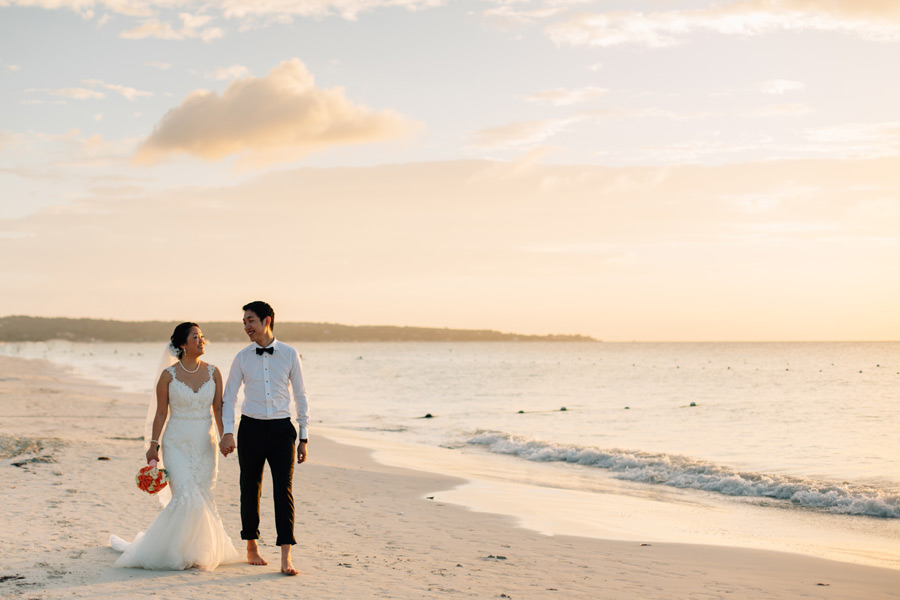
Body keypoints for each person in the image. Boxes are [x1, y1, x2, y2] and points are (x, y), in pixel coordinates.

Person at [110, 322, 240, 570]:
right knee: (185, 495)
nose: (202, 340)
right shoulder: (168, 376)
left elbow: (219, 409)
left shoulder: (214, 372)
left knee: (202, 494)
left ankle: (200, 551)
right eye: (195, 337)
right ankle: (172, 552)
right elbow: (160, 413)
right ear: (182, 344)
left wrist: (226, 436)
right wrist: (153, 445)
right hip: (175, 443)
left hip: (205, 443)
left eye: (202, 336)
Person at [218, 301, 309, 576]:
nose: (247, 327)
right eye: (244, 322)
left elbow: (301, 397)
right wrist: (227, 432)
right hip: (251, 429)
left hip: (283, 430)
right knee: (250, 487)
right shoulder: (242, 357)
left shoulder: (290, 354)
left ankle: (286, 555)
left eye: (251, 321)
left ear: (266, 320)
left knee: (284, 492)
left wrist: (304, 437)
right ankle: (251, 546)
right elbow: (229, 398)